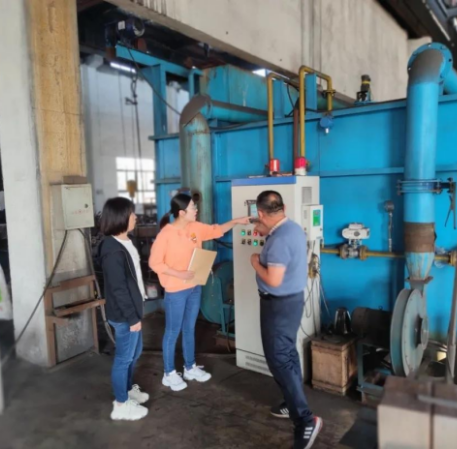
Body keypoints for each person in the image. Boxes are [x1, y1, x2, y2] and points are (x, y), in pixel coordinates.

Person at [149, 193, 250, 391]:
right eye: (193, 208)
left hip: (194, 286)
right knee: (172, 331)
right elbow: (155, 263)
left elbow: (216, 230)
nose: (196, 210)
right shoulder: (166, 234)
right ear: (181, 213)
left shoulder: (194, 228)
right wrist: (178, 273)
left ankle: (190, 367)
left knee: (189, 328)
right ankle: (169, 373)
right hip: (176, 290)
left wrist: (236, 221)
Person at [249, 190, 322, 449]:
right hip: (290, 303)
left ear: (260, 212)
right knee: (287, 354)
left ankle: (305, 420)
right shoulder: (292, 229)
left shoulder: (279, 240)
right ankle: (292, 403)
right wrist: (265, 232)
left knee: (279, 359)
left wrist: (255, 261)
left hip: (278, 306)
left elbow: (273, 279)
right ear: (283, 208)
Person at [98, 197, 149, 421]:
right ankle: (120, 404)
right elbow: (118, 289)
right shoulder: (112, 250)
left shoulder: (127, 241)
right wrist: (132, 317)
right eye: (131, 214)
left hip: (133, 310)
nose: (135, 217)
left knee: (134, 354)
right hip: (124, 315)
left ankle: (127, 391)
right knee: (123, 358)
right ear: (120, 217)